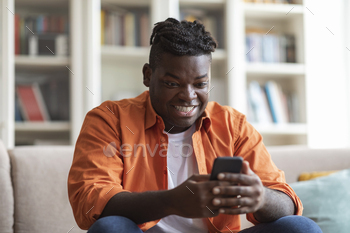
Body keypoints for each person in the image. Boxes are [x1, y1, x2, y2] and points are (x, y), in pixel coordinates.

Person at [68, 18, 321, 233]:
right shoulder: (109, 119)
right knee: (110, 227)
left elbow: (289, 204)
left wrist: (261, 197)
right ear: (147, 75)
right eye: (172, 83)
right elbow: (90, 202)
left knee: (302, 228)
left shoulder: (233, 125)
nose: (188, 96)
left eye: (200, 84)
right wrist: (171, 202)